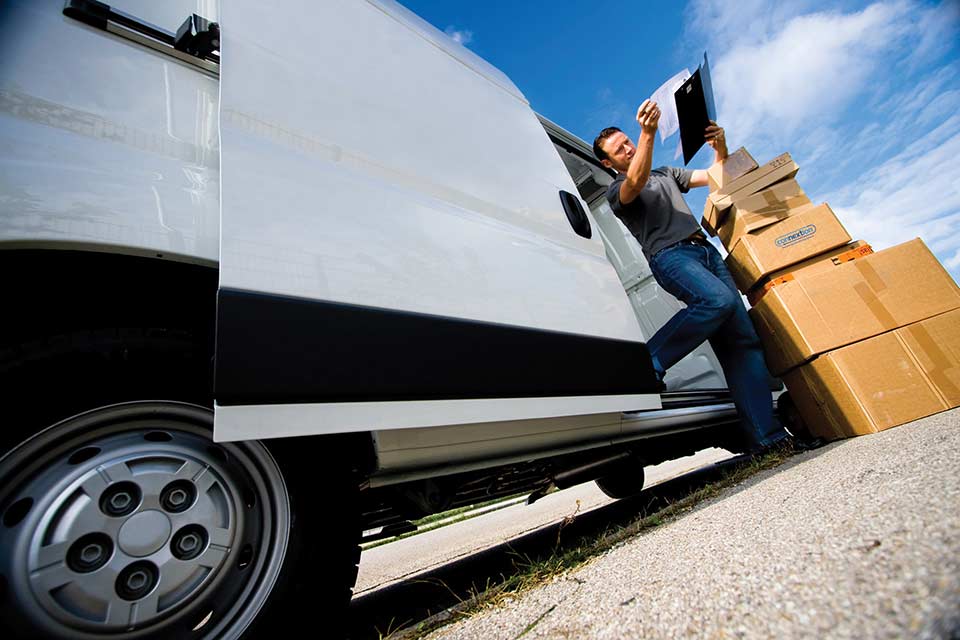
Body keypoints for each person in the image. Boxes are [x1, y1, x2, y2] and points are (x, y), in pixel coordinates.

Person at [593, 100, 791, 454]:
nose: (628, 148)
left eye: (628, 141)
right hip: (671, 256)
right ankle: (648, 364)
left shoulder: (666, 173)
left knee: (743, 344)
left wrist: (720, 147)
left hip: (706, 252)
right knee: (717, 300)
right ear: (608, 163)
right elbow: (635, 181)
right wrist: (648, 133)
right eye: (619, 149)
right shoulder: (617, 191)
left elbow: (717, 177)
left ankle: (768, 438)